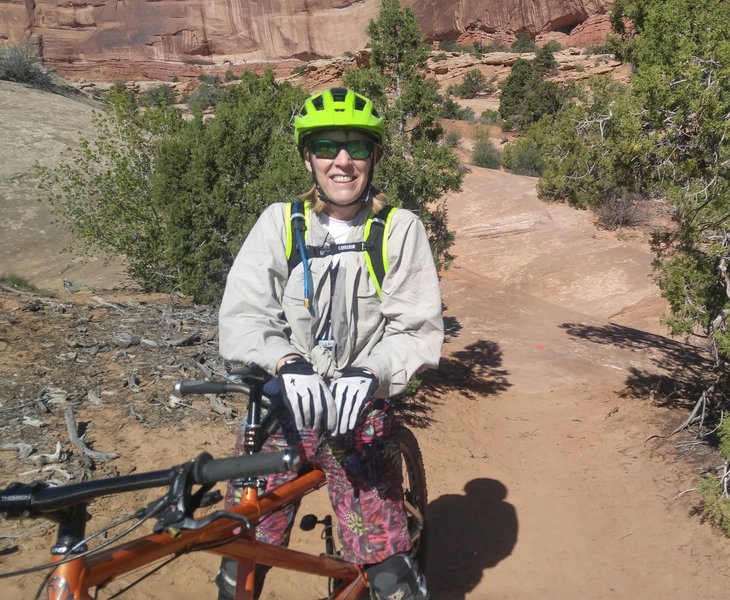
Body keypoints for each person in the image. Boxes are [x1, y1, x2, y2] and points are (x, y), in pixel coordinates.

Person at [216, 87, 443, 600]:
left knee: (387, 568)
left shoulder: (399, 230)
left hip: (358, 413)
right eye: (326, 147)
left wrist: (373, 371)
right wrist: (284, 359)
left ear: (374, 157)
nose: (342, 161)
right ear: (307, 158)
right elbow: (246, 313)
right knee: (242, 553)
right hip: (283, 411)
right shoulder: (280, 223)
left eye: (357, 148)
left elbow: (416, 329)